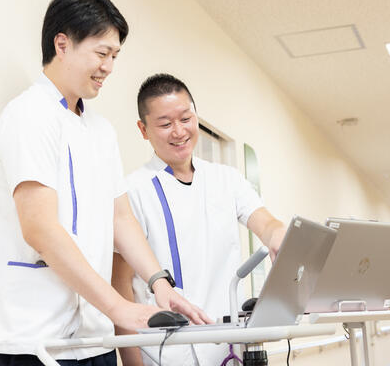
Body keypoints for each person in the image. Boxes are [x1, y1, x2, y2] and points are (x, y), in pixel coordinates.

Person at [0, 0, 210, 366]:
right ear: (62, 44)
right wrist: (119, 307)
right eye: (102, 53)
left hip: (94, 338)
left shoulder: (100, 130)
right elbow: (39, 228)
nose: (109, 67)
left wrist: (159, 284)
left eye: (115, 56)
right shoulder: (28, 116)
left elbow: (121, 218)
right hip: (34, 338)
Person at [112, 74, 287, 365]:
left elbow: (266, 223)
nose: (179, 131)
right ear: (143, 130)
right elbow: (121, 285)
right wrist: (132, 362)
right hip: (165, 352)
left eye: (186, 118)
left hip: (228, 345)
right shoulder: (132, 191)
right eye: (165, 124)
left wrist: (278, 235)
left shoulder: (226, 179)